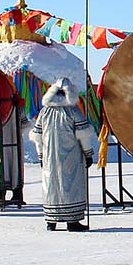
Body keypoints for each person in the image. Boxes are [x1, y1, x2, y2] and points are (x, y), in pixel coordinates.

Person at [30, 78, 99, 231]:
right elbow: (83, 135)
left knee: (52, 187)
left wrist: (41, 155)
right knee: (70, 186)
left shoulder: (44, 112)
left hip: (50, 158)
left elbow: (37, 136)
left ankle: (51, 221)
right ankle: (72, 222)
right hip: (71, 157)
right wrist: (88, 154)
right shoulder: (73, 111)